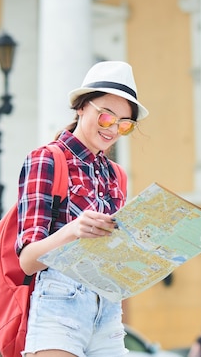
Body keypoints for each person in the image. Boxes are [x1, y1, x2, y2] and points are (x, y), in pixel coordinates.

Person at [17, 60, 149, 356]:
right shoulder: (47, 159)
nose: (113, 129)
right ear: (81, 107)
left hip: (109, 312)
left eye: (124, 124)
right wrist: (74, 231)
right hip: (60, 304)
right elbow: (27, 261)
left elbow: (112, 259)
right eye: (106, 117)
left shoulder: (117, 175)